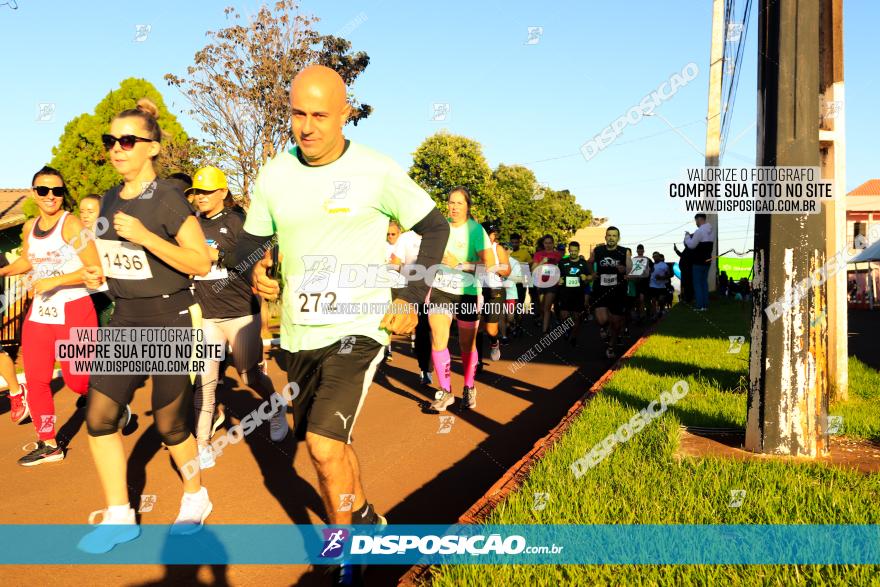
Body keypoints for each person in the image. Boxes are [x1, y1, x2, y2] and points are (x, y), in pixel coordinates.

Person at [235, 66, 449, 584]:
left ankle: (344, 560)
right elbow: (250, 242)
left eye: (319, 115)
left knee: (322, 446)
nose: (306, 127)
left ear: (345, 113)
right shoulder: (274, 174)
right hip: (299, 335)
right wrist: (260, 270)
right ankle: (368, 518)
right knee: (333, 444)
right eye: (297, 114)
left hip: (359, 329)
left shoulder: (376, 171)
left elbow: (434, 225)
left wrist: (410, 293)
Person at [77, 99, 213, 553]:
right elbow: (106, 254)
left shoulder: (170, 198)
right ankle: (120, 515)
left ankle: (196, 495)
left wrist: (146, 236)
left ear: (151, 148)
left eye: (128, 141)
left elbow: (200, 260)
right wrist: (99, 272)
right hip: (126, 319)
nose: (117, 149)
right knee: (99, 417)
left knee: (172, 425)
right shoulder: (111, 197)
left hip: (170, 317)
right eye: (111, 141)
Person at [0, 167, 103, 466]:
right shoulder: (30, 226)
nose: (50, 197)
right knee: (36, 378)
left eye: (57, 191)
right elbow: (27, 259)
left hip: (74, 308)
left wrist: (54, 281)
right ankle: (49, 443)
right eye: (43, 190)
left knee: (78, 381)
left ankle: (112, 403)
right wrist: (5, 270)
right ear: (34, 192)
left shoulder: (72, 226)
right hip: (41, 314)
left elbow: (94, 270)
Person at [187, 165, 286, 470]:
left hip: (241, 313)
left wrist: (220, 257)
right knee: (205, 382)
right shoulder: (191, 225)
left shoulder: (237, 221)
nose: (200, 197)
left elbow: (256, 257)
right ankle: (201, 444)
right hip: (207, 316)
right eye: (196, 192)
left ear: (222, 193)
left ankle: (277, 408)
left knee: (249, 376)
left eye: (206, 191)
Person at [427, 187, 495, 411]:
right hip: (441, 288)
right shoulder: (440, 225)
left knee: (467, 344)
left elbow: (490, 267)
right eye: (451, 202)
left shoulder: (475, 231)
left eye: (459, 203)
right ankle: (446, 392)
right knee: (438, 337)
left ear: (467, 206)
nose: (454, 207)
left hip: (467, 291)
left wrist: (459, 264)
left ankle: (469, 385)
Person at [390, 229, 433, 385]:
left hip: (439, 288)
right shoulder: (405, 237)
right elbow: (394, 263)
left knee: (436, 330)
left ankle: (439, 362)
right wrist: (410, 274)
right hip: (417, 290)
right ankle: (425, 369)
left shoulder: (438, 234)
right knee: (422, 329)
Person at [587, 226, 632, 359]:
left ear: (618, 238)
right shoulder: (598, 250)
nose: (611, 238)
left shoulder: (625, 252)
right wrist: (592, 273)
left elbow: (630, 267)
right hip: (601, 288)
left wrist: (625, 270)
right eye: (609, 235)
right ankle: (604, 328)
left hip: (618, 289)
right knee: (602, 319)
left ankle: (611, 347)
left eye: (614, 236)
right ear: (605, 237)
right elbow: (589, 262)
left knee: (616, 322)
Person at [475, 221, 510, 366]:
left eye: (493, 234)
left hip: (495, 290)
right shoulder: (474, 248)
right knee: (476, 327)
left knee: (490, 329)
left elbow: (506, 271)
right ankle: (476, 361)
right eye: (489, 234)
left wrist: (491, 266)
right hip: (476, 290)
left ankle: (495, 343)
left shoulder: (498, 249)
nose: (491, 237)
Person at [78, 194, 115, 330]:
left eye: (90, 211)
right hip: (81, 296)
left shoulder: (109, 237)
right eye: (82, 211)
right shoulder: (76, 238)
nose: (85, 216)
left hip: (104, 295)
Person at [557, 241, 592, 346]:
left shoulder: (583, 263)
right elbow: (555, 276)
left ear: (578, 251)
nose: (573, 253)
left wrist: (586, 278)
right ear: (569, 250)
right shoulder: (562, 263)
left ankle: (573, 337)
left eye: (575, 251)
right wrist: (558, 280)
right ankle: (567, 329)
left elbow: (590, 277)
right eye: (571, 251)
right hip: (565, 294)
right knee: (564, 316)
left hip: (578, 294)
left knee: (577, 317)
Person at [531, 235, 562, 334]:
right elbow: (533, 270)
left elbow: (561, 269)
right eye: (546, 243)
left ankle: (545, 330)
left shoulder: (557, 255)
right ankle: (546, 321)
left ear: (553, 243)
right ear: (543, 244)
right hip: (540, 284)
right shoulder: (538, 254)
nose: (548, 245)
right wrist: (541, 262)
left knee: (547, 307)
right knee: (541, 307)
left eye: (550, 243)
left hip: (552, 284)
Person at [684, 213, 714, 311]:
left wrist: (687, 237)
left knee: (697, 283)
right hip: (707, 260)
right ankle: (705, 305)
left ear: (699, 219)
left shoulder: (699, 231)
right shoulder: (711, 230)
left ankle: (699, 305)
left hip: (698, 261)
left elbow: (691, 245)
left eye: (696, 221)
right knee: (704, 283)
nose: (696, 223)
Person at [383, 220, 402, 362]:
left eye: (393, 234)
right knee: (387, 317)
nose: (390, 236)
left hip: (403, 286)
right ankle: (387, 349)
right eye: (388, 234)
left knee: (402, 318)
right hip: (387, 286)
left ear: (399, 233)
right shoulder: (381, 246)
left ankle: (414, 341)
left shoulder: (404, 245)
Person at [629, 244, 653, 323]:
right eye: (638, 250)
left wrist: (648, 273)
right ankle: (638, 314)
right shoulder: (634, 259)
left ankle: (643, 315)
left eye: (641, 250)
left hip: (644, 281)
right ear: (637, 251)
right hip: (636, 281)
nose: (640, 251)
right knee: (637, 300)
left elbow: (652, 268)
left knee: (642, 299)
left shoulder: (647, 259)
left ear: (643, 251)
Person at [648, 252, 671, 319]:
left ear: (659, 257)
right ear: (653, 257)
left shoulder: (664, 265)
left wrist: (661, 277)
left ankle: (661, 310)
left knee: (661, 299)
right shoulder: (651, 265)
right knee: (653, 300)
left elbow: (669, 275)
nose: (655, 257)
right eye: (654, 256)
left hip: (661, 286)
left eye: (656, 256)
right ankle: (654, 314)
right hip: (652, 285)